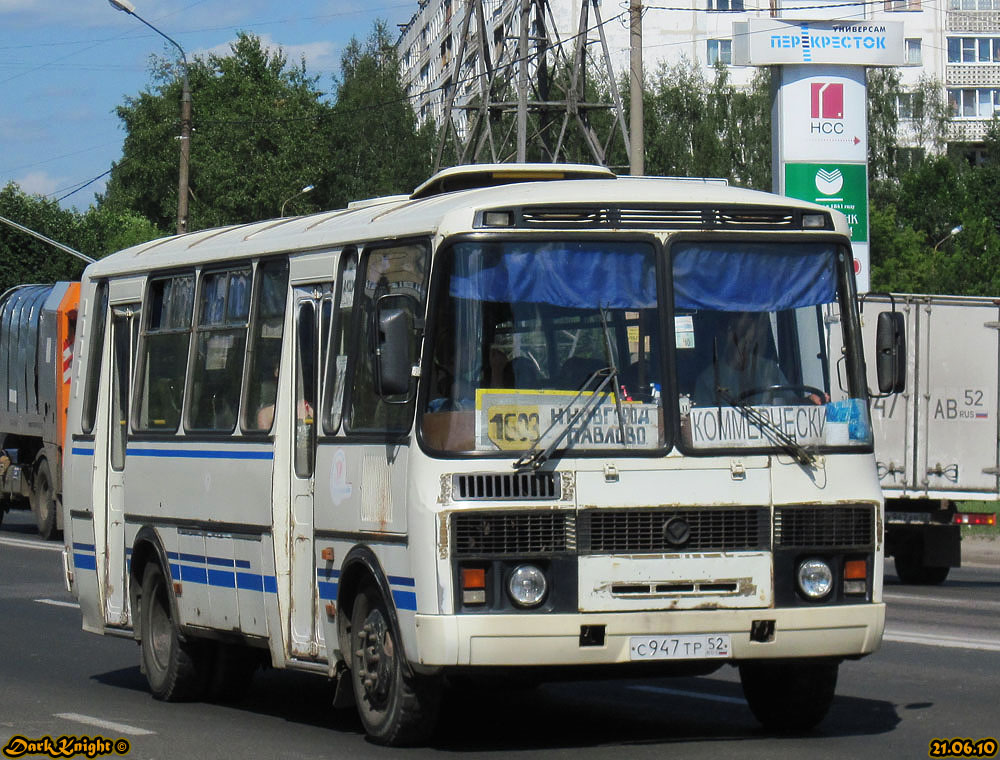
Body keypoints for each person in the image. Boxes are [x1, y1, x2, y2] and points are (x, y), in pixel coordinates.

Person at [694, 311, 788, 405]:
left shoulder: (771, 371)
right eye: (742, 332)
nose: (747, 339)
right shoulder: (707, 381)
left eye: (749, 329)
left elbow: (792, 406)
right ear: (726, 334)